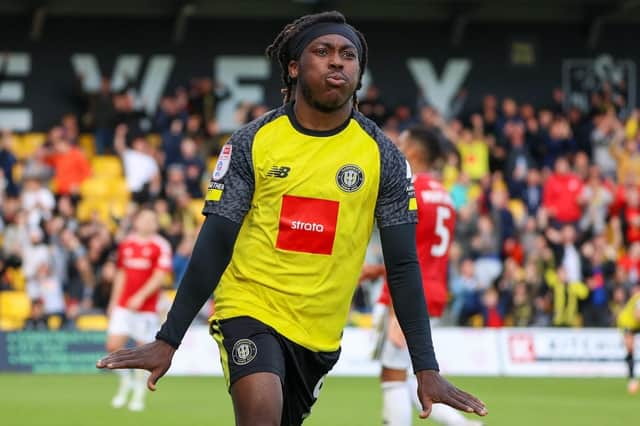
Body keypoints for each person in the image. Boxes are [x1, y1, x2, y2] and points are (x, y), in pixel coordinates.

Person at [97, 11, 487, 425]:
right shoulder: (253, 141)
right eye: (323, 51)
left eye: (348, 55)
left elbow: (404, 265)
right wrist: (168, 338)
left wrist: (426, 367)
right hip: (249, 306)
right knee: (260, 413)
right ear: (294, 66)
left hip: (318, 333)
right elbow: (215, 241)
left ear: (360, 73)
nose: (337, 61)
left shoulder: (383, 156)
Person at [361, 127, 481, 426]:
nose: (396, 149)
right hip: (434, 289)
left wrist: (374, 270)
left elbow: (407, 254)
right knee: (411, 375)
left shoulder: (409, 188)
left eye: (401, 144)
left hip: (410, 292)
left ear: (413, 152)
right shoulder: (445, 196)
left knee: (392, 372)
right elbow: (425, 251)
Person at [105, 208, 172, 411]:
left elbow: (160, 276)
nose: (147, 222)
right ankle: (126, 382)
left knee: (144, 350)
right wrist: (113, 301)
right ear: (137, 222)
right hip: (124, 306)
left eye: (151, 219)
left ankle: (139, 395)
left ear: (156, 224)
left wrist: (141, 296)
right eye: (143, 218)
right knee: (112, 346)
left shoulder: (161, 245)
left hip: (146, 309)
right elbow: (121, 274)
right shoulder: (127, 244)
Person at [617, 284, 640, 394]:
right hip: (628, 322)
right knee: (630, 349)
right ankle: (632, 379)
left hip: (637, 324)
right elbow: (638, 316)